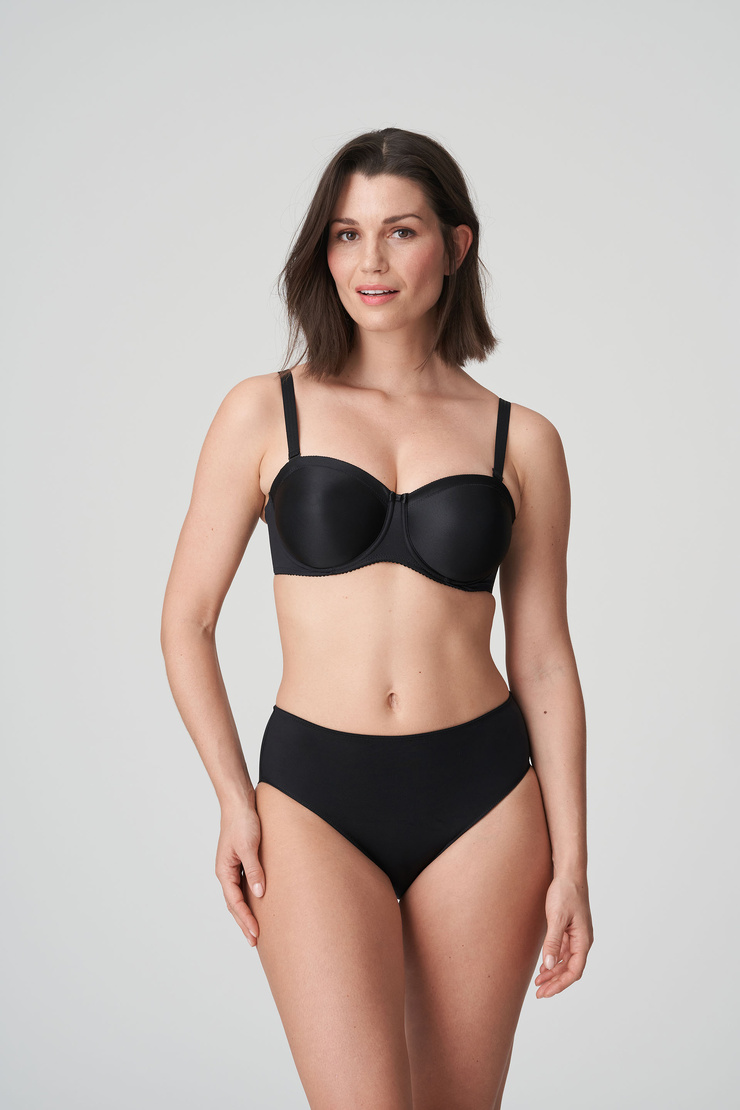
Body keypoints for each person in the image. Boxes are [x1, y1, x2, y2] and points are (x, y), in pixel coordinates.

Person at [161, 127, 593, 1110]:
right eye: (347, 234)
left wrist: (572, 859)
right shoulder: (263, 411)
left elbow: (543, 659)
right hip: (312, 795)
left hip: (484, 798)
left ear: (456, 244)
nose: (371, 261)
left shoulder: (521, 439)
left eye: (401, 231)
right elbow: (186, 622)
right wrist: (233, 798)